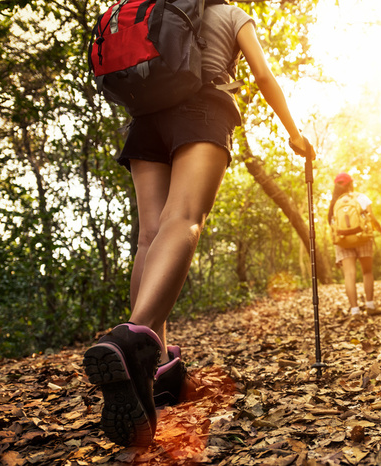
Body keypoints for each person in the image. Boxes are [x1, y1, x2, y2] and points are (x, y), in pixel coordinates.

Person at [82, 0, 315, 447]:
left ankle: (151, 370)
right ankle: (134, 341)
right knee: (185, 217)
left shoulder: (155, 8)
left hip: (145, 122)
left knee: (149, 237)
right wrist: (293, 132)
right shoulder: (231, 14)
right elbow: (263, 75)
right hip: (203, 110)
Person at [328, 172, 381, 318]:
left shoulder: (335, 202)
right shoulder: (361, 197)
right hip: (363, 237)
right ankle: (370, 306)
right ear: (351, 184)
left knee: (349, 274)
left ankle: (355, 311)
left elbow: (332, 223)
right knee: (367, 272)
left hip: (342, 241)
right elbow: (371, 218)